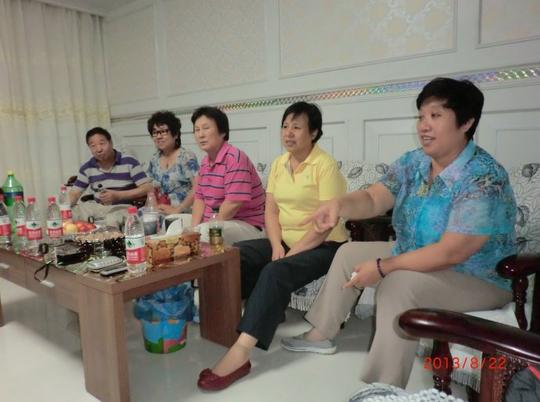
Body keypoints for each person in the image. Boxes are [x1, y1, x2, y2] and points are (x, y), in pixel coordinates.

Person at [281, 78, 517, 389]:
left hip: (475, 276)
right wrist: (339, 205)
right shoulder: (414, 161)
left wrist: (383, 267)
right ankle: (321, 334)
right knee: (348, 252)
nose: (424, 125)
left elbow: (452, 252)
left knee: (398, 284)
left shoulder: (483, 176)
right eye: (421, 116)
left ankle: (384, 387)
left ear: (466, 123)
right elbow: (373, 198)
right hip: (415, 252)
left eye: (436, 116)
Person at [197, 102, 349, 391]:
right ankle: (260, 314)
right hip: (285, 240)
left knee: (275, 271)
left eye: (296, 127)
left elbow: (325, 225)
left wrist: (289, 254)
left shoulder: (324, 165)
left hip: (325, 245)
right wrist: (276, 244)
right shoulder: (280, 163)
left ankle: (241, 353)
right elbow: (271, 210)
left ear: (313, 132)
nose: (288, 133)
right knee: (235, 256)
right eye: (285, 126)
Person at [190, 106, 266, 244]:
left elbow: (233, 203)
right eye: (197, 129)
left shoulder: (235, 158)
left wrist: (204, 228)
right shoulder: (205, 162)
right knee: (175, 225)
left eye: (206, 128)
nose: (200, 135)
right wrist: (192, 231)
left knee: (208, 232)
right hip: (215, 222)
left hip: (248, 225)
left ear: (222, 132)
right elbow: (199, 199)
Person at [70, 127, 153, 227]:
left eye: (102, 143)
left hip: (123, 207)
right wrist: (64, 207)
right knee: (70, 213)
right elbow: (74, 193)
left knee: (112, 219)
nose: (98, 149)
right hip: (98, 208)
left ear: (111, 143)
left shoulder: (129, 161)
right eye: (93, 146)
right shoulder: (87, 168)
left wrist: (119, 195)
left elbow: (148, 188)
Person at [146, 111, 199, 215]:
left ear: (175, 134)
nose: (158, 136)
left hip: (184, 212)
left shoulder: (186, 157)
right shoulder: (154, 159)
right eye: (155, 132)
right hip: (161, 211)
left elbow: (197, 188)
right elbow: (150, 189)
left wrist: (177, 209)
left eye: (163, 131)